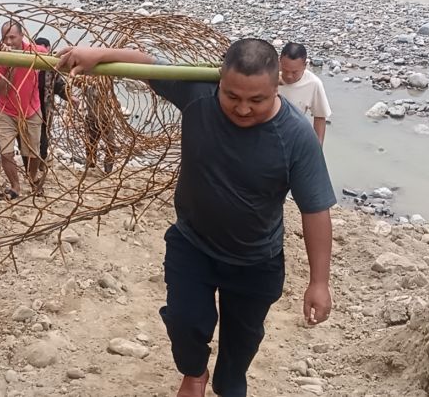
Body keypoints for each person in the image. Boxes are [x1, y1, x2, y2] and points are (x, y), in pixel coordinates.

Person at [57, 39, 335, 397]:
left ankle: (225, 379)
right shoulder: (198, 93)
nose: (244, 109)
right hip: (193, 244)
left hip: (256, 261)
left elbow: (315, 210)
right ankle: (194, 372)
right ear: (219, 79)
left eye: (257, 100)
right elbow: (148, 64)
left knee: (237, 364)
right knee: (184, 322)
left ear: (276, 87)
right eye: (233, 96)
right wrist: (98, 56)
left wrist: (319, 282)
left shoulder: (296, 137)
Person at [0, 21, 46, 200]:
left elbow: (49, 56)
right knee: (5, 152)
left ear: (22, 36)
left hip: (31, 109)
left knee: (33, 152)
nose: (8, 41)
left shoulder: (33, 51)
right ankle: (15, 186)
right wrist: (10, 63)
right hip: (6, 110)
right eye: (5, 37)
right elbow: (3, 90)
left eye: (12, 37)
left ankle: (32, 176)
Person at [18, 37, 68, 183]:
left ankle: (40, 163)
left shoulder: (51, 64)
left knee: (43, 137)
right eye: (37, 48)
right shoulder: (27, 60)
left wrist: (70, 97)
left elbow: (59, 85)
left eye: (42, 49)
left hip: (45, 107)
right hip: (26, 106)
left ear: (48, 48)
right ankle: (29, 167)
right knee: (25, 137)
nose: (40, 51)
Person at [278, 42, 332, 145]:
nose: (289, 76)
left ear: (305, 66)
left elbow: (320, 117)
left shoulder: (313, 83)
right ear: (279, 62)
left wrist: (318, 149)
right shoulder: (268, 76)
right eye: (285, 70)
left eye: (294, 72)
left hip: (293, 137)